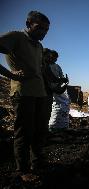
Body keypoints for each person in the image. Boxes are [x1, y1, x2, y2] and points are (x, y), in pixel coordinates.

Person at [0, 11, 50, 182]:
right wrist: (12, 75)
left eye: (46, 30)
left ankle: (38, 162)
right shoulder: (16, 37)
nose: (43, 32)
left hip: (40, 93)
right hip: (23, 93)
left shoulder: (39, 46)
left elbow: (39, 70)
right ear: (28, 24)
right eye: (39, 28)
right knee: (24, 131)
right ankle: (22, 170)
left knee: (40, 130)